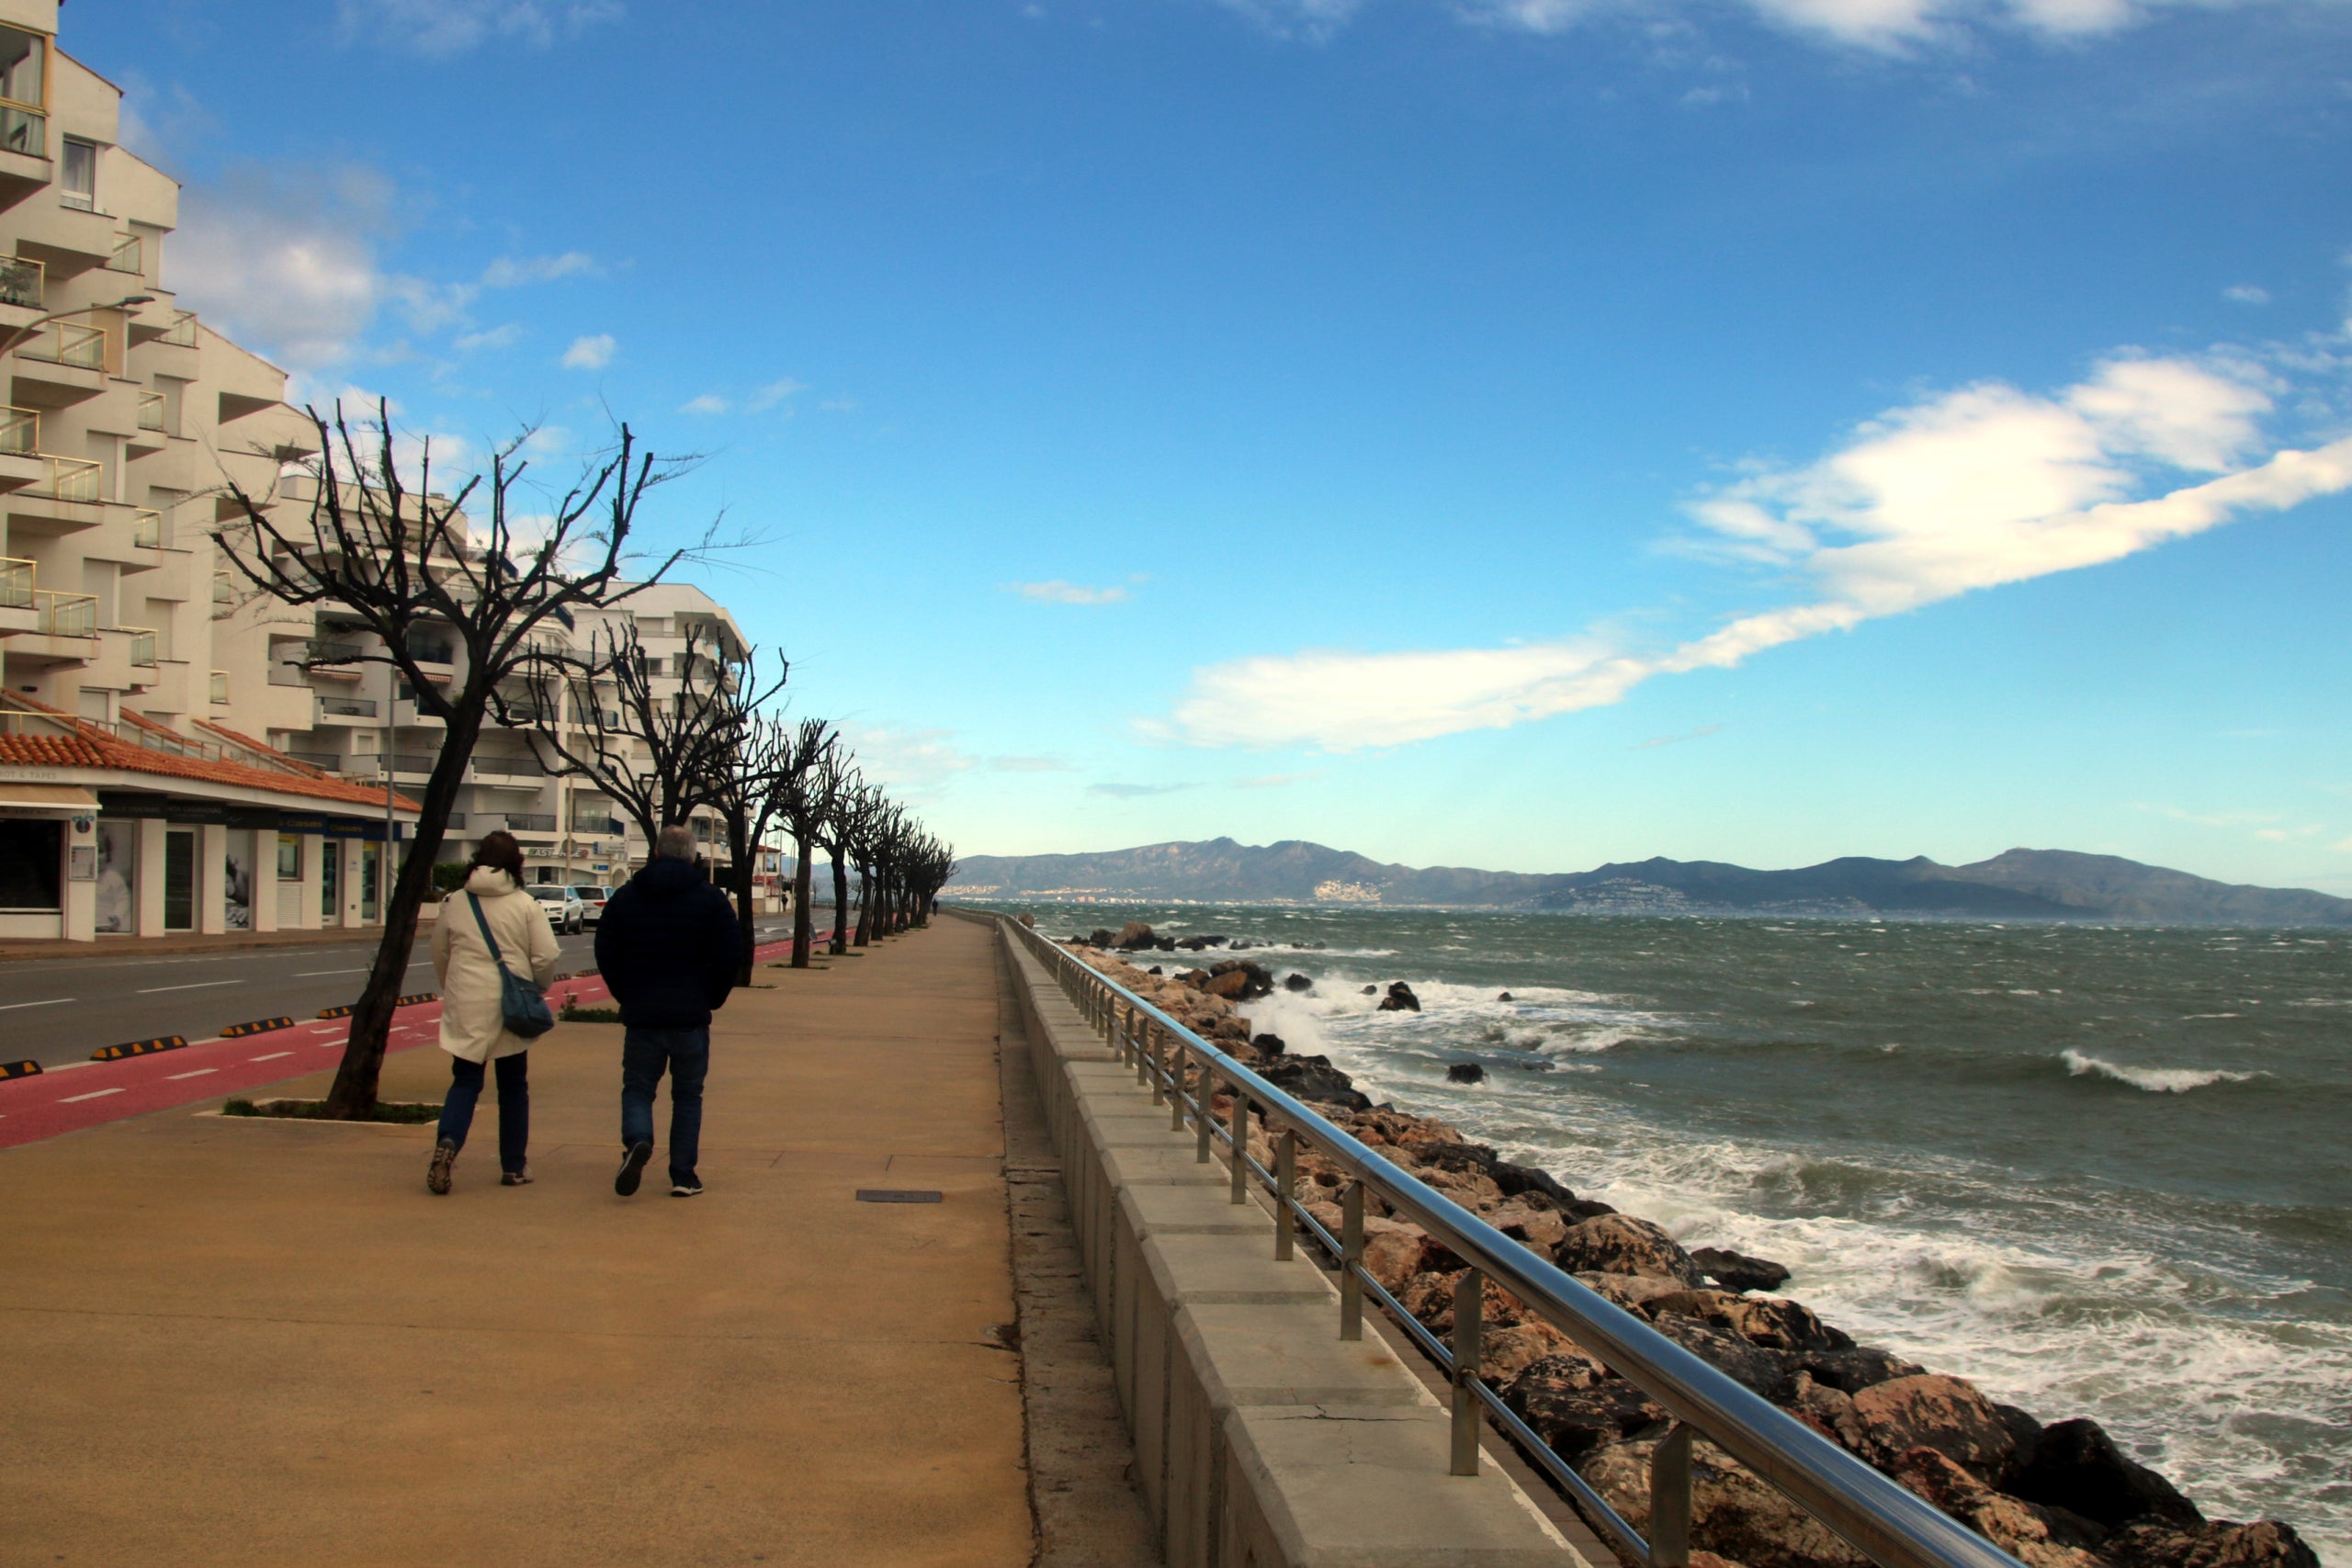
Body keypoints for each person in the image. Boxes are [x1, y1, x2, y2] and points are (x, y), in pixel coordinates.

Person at [594, 824, 739, 1198]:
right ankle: (683, 1174)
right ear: (693, 857)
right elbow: (729, 956)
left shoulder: (626, 897)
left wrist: (624, 993)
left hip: (642, 1012)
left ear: (655, 853)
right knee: (688, 1095)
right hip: (690, 1015)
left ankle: (638, 1140)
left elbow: (606, 950)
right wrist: (713, 997)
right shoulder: (711, 901)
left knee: (639, 1088)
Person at [425, 831, 560, 1195]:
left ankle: (449, 1141)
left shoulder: (455, 902)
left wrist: (453, 988)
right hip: (510, 1003)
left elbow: (440, 952)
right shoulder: (524, 904)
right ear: (516, 863)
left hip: (466, 1002)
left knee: (465, 1080)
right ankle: (514, 1166)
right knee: (514, 1086)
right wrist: (536, 988)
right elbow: (546, 956)